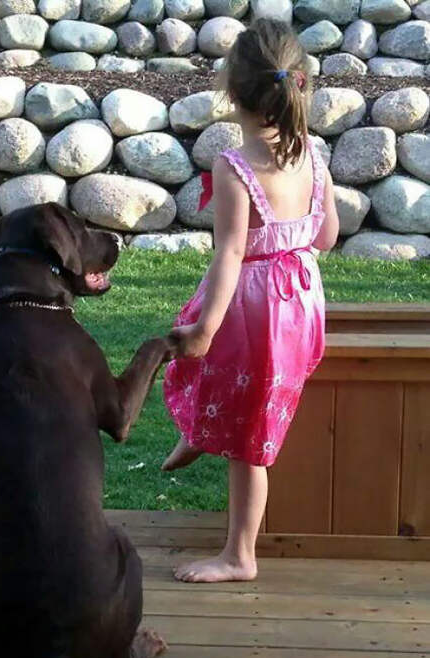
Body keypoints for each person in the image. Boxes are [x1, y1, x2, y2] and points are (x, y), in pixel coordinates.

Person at [162, 18, 339, 583]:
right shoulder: (313, 154)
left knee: (249, 436)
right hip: (301, 300)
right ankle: (197, 432)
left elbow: (229, 256)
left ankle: (240, 556)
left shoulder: (235, 167)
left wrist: (206, 329)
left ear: (232, 95)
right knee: (241, 387)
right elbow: (327, 236)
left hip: (255, 304)